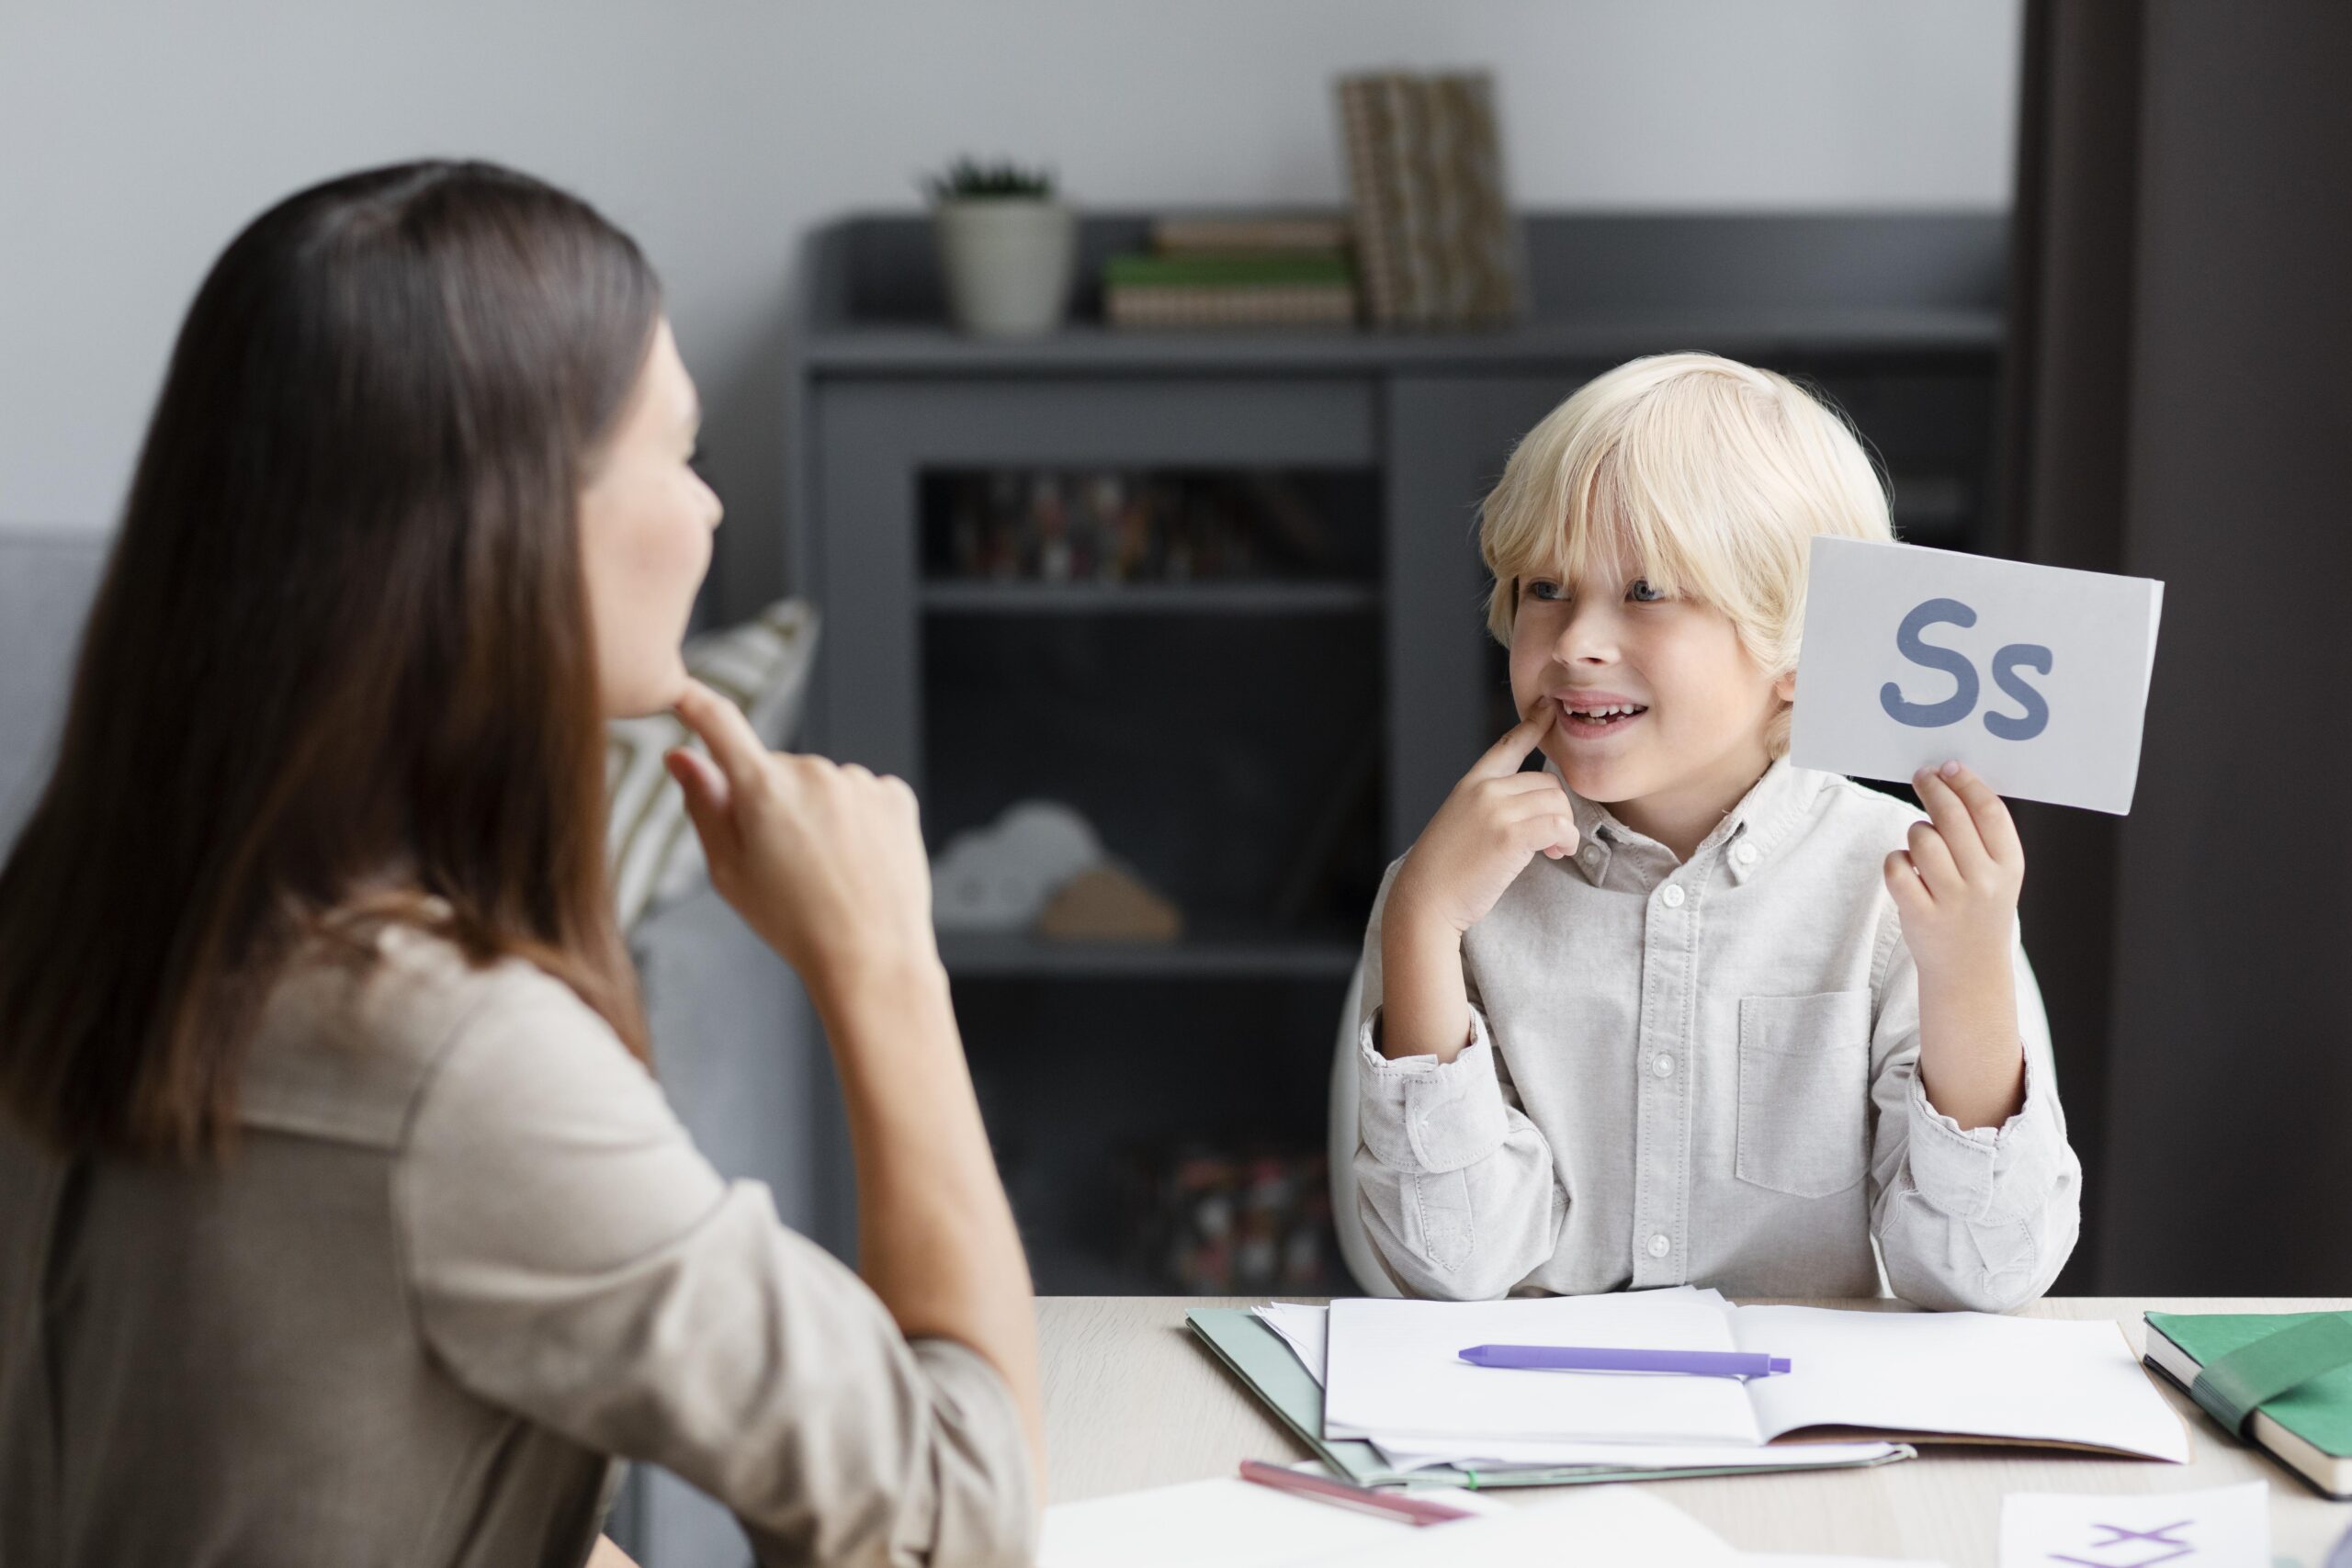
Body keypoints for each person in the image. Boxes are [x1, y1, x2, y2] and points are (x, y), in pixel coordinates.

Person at [0, 161, 1038, 1568]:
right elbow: (958, 1528)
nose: (712, 514)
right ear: (517, 526)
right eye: (679, 454)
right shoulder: (450, 1059)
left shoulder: (71, 921)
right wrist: (885, 963)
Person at [1352, 352, 2082, 1311]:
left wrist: (1970, 971)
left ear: (1799, 647)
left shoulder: (1903, 885)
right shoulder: (1451, 889)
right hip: (1536, 1420)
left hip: (1816, 1428)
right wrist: (1419, 926)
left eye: (1647, 592)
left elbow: (1982, 1276)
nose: (1574, 642)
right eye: (1544, 587)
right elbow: (1447, 1266)